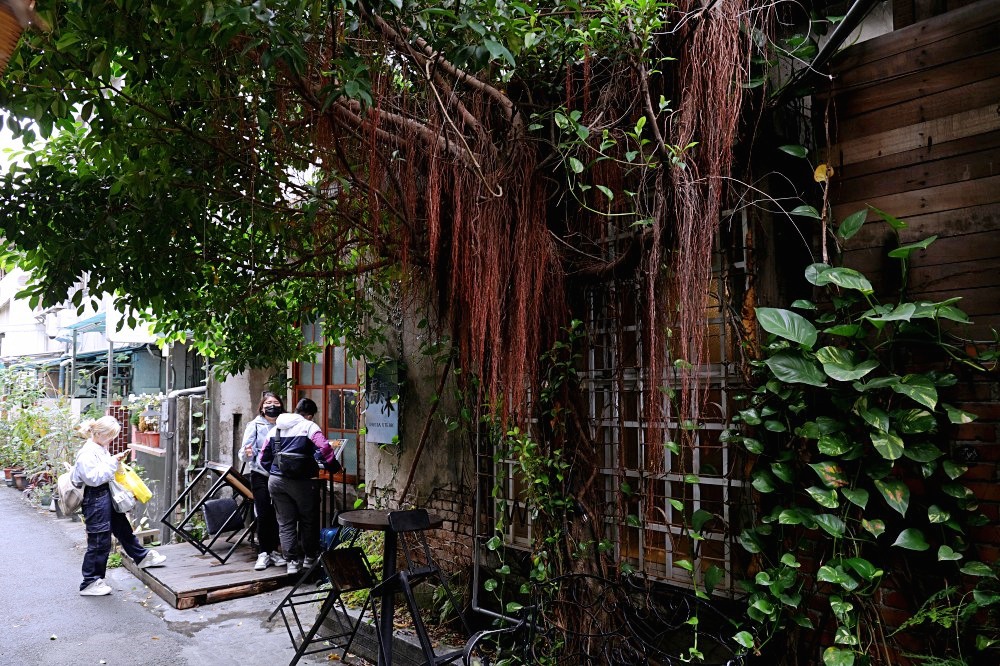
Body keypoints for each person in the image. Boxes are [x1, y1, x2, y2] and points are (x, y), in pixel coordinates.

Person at [72, 415, 166, 596]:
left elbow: (101, 473)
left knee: (122, 528)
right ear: (99, 433)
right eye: (110, 436)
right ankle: (90, 581)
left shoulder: (98, 448)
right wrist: (114, 461)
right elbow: (93, 478)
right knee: (99, 539)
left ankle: (141, 557)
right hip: (95, 495)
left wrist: (114, 460)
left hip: (103, 494)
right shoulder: (87, 452)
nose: (112, 439)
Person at [259, 398, 339, 575]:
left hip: (276, 481)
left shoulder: (276, 428)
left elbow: (262, 457)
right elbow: (324, 448)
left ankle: (292, 563)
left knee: (285, 522)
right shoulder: (309, 426)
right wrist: (333, 466)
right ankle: (310, 558)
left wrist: (275, 471)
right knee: (308, 519)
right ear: (309, 415)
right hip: (302, 482)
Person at [238, 391, 287, 571]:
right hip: (260, 473)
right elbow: (243, 452)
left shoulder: (286, 425)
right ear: (262, 407)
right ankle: (263, 553)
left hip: (282, 474)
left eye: (275, 402)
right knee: (264, 512)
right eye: (268, 403)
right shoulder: (255, 425)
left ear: (281, 405)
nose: (272, 406)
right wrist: (247, 454)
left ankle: (274, 551)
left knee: (278, 512)